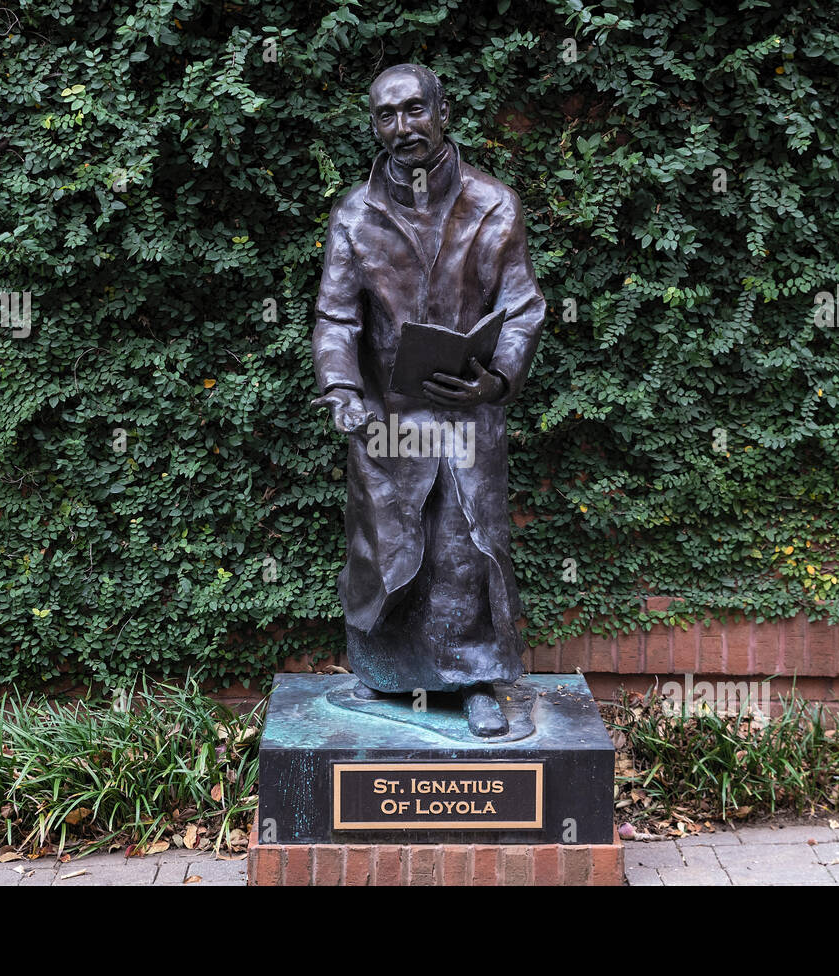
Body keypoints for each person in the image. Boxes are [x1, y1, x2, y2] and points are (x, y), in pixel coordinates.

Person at [312, 63, 545, 736]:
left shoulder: (493, 203)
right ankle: (386, 675)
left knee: (464, 550)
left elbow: (523, 306)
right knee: (387, 552)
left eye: (415, 110)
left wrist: (497, 379)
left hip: (467, 409)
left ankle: (472, 682)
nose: (402, 127)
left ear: (442, 112)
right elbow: (336, 319)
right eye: (387, 115)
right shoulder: (356, 214)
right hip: (389, 418)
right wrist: (343, 393)